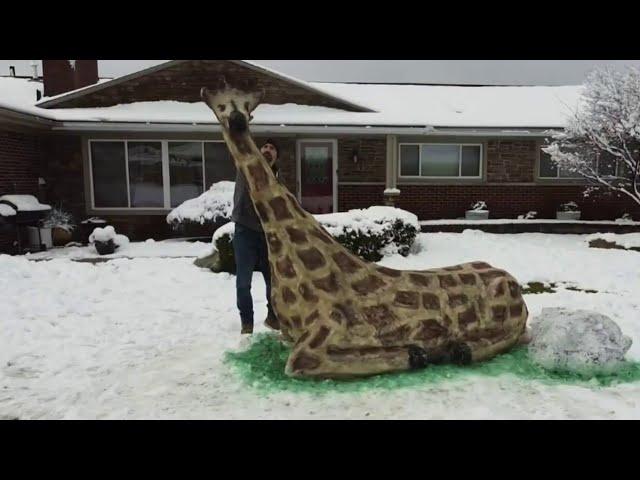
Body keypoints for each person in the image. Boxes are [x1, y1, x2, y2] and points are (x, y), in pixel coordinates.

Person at [232, 139, 280, 334]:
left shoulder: (277, 179)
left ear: (277, 157)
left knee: (273, 281)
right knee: (243, 282)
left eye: (272, 148)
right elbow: (239, 145)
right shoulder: (246, 165)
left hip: (267, 235)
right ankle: (247, 323)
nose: (268, 150)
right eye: (265, 147)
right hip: (244, 231)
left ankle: (273, 317)